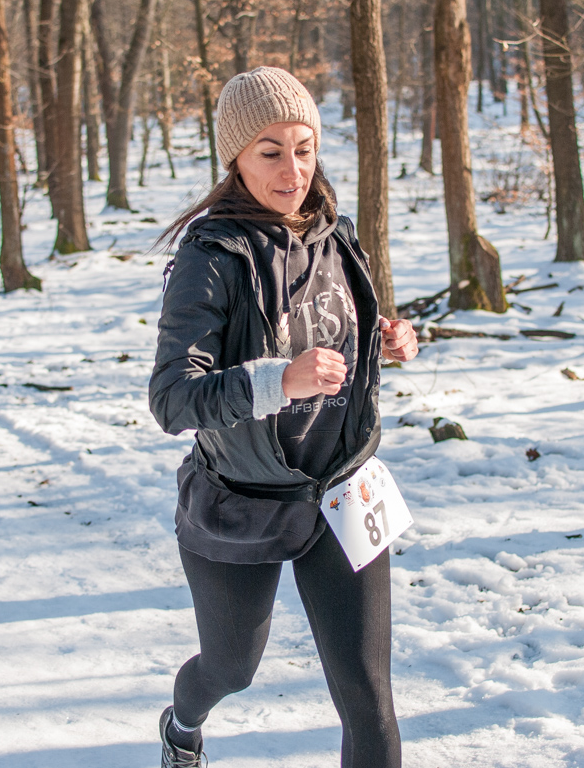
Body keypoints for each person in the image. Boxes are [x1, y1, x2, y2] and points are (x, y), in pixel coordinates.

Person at [149, 67, 419, 768]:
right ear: (235, 158)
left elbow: (327, 327)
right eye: (270, 152)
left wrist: (382, 338)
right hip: (243, 500)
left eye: (304, 148)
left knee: (369, 699)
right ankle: (182, 723)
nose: (293, 170)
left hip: (341, 490)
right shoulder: (211, 257)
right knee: (231, 667)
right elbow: (173, 397)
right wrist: (279, 381)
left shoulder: (336, 234)